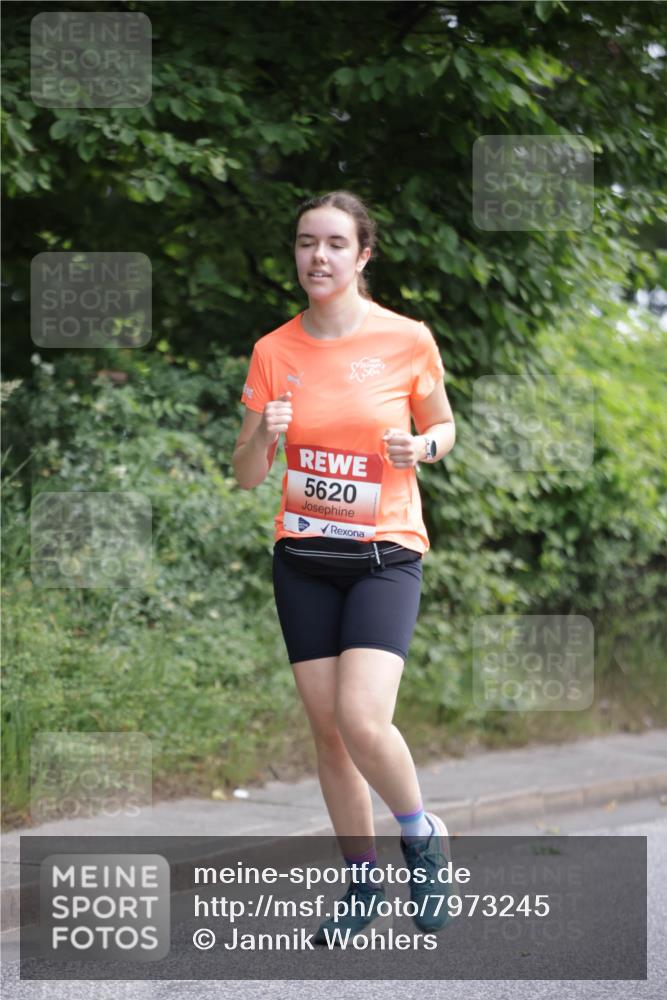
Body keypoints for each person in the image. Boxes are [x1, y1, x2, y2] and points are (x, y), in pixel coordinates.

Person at [233, 190, 456, 944]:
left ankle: (420, 836)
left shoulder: (405, 340)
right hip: (301, 556)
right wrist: (263, 432)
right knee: (327, 733)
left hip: (384, 553)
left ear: (362, 255)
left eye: (333, 244)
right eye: (304, 243)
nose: (316, 257)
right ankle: (361, 882)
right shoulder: (273, 351)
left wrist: (419, 449)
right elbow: (244, 474)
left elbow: (443, 425)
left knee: (362, 719)